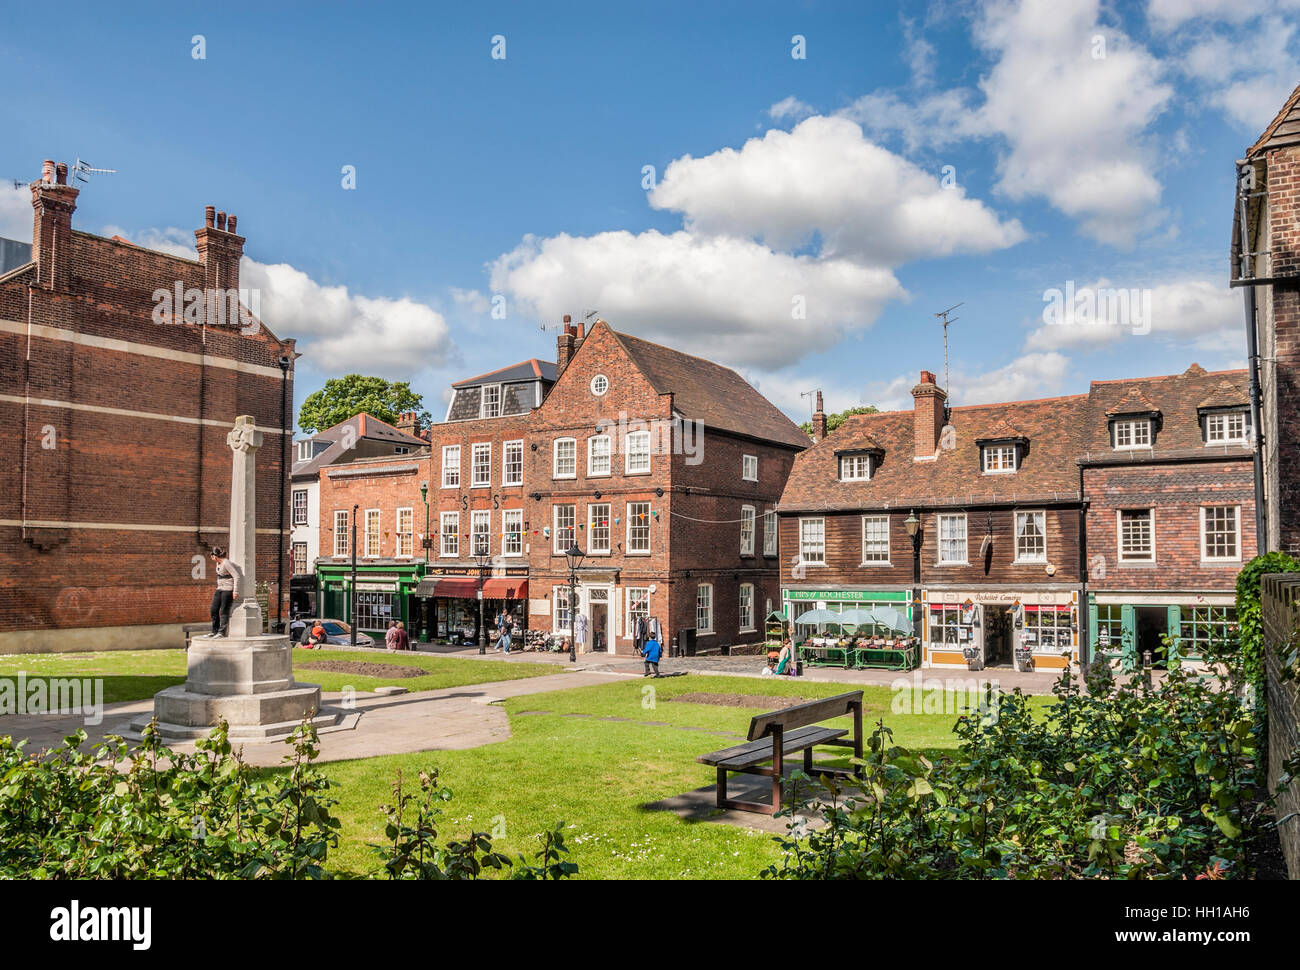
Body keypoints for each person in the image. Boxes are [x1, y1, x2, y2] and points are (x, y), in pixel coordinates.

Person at [208, 547, 242, 638]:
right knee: (213, 610)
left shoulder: (226, 563)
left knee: (224, 611)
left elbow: (236, 576)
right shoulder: (218, 563)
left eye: (212, 556)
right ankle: (214, 631)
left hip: (227, 590)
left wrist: (235, 591)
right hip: (219, 589)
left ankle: (221, 632)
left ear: (214, 556)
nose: (212, 559)